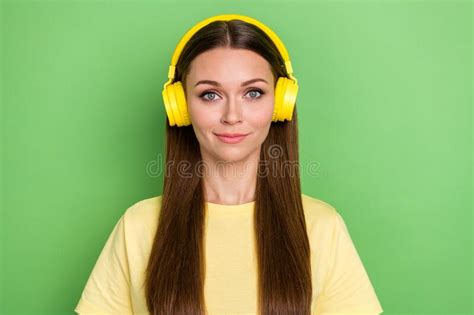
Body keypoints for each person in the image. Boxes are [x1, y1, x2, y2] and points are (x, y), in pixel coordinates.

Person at [74, 14, 384, 315]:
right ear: (180, 107)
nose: (232, 115)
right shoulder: (138, 226)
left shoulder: (322, 226)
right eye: (210, 94)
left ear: (280, 103)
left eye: (253, 92)